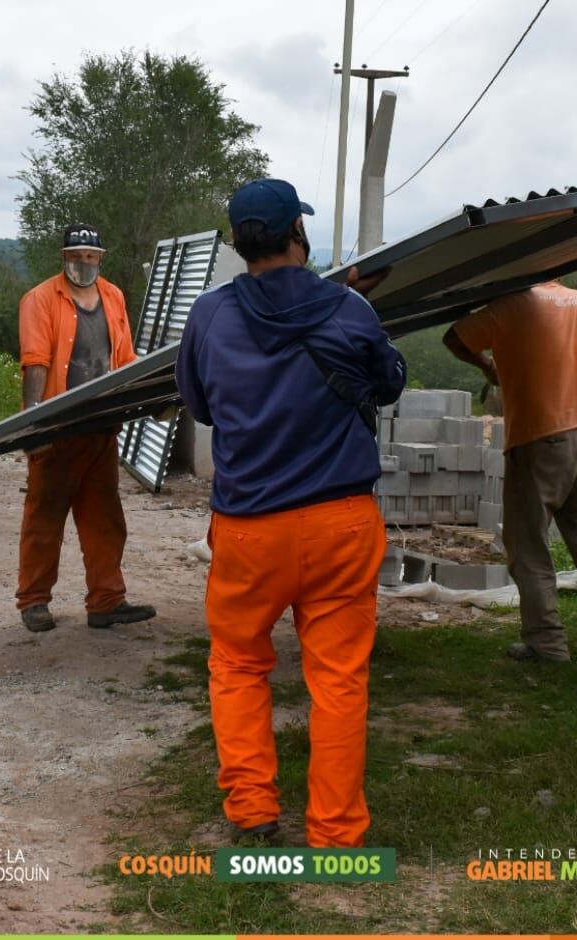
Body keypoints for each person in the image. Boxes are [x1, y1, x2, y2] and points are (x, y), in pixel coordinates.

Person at [175, 179, 406, 848]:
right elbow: (389, 382)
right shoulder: (349, 306)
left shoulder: (210, 315)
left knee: (240, 665)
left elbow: (201, 407)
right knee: (337, 679)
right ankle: (335, 833)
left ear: (240, 243)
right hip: (340, 521)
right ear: (296, 236)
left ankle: (252, 814)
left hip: (250, 527)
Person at [444, 279, 577, 663]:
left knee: (528, 544)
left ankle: (546, 643)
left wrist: (488, 366)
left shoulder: (513, 303)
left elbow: (455, 338)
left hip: (541, 436)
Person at [16, 224, 157, 632]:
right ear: (64, 257)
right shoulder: (40, 299)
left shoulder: (113, 296)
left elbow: (126, 358)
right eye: (76, 255)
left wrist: (152, 395)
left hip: (100, 427)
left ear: (101, 258)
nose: (83, 263)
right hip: (57, 429)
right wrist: (33, 422)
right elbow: (36, 360)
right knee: (45, 517)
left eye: (91, 256)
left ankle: (107, 601)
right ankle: (34, 601)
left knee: (105, 519)